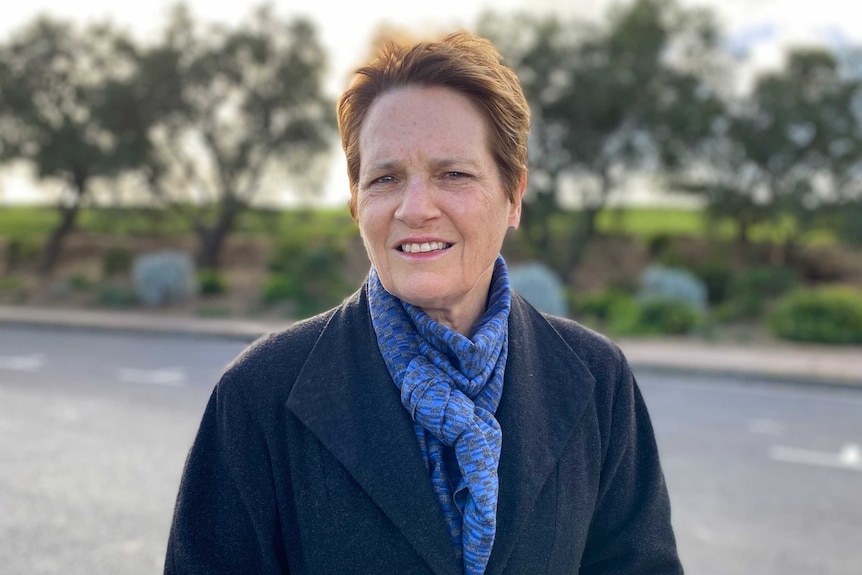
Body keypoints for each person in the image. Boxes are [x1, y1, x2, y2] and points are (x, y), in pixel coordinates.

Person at [164, 30, 683, 575]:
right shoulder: (257, 395)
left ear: (513, 196)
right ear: (356, 203)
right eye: (385, 178)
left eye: (453, 174)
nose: (415, 208)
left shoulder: (597, 379)